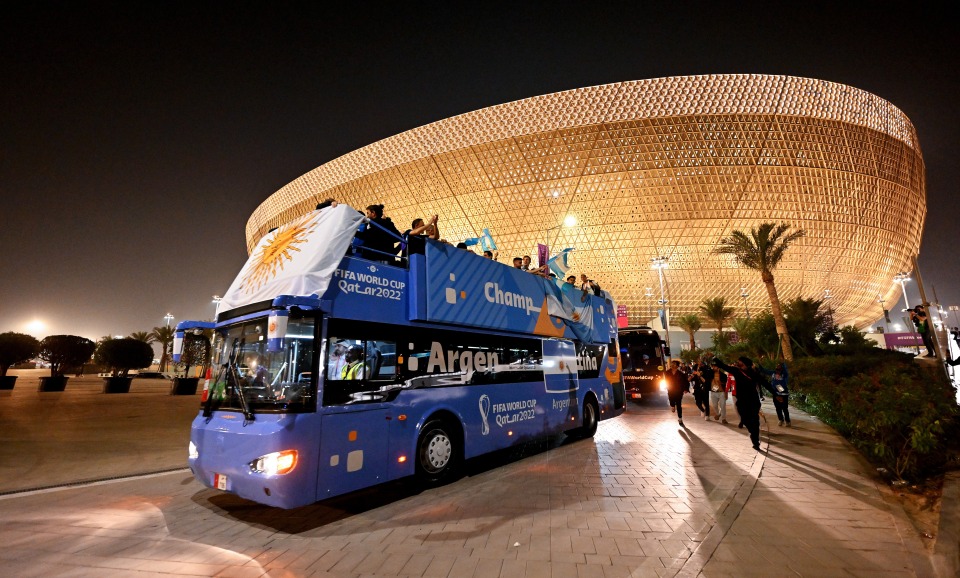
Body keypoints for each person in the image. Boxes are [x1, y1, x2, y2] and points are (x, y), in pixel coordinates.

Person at [713, 356, 763, 451]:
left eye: (739, 362)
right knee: (742, 414)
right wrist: (727, 392)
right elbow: (725, 372)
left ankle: (755, 441)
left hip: (752, 400)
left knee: (754, 421)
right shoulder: (735, 372)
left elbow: (762, 383)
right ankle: (745, 423)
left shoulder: (753, 373)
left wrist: (774, 393)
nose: (737, 363)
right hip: (739, 397)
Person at [760, 362, 791, 426]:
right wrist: (759, 364)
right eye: (777, 368)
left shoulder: (784, 374)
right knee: (778, 408)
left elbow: (785, 370)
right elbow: (764, 371)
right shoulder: (773, 373)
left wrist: (783, 363)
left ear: (782, 369)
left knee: (784, 408)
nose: (777, 370)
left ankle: (787, 421)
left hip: (783, 394)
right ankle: (781, 420)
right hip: (776, 393)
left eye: (779, 368)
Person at [702, 357, 728, 423]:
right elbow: (706, 377)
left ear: (718, 367)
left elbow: (725, 383)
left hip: (721, 391)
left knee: (723, 406)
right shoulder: (710, 373)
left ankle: (723, 418)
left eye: (715, 366)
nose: (713, 367)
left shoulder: (723, 375)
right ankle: (718, 413)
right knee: (715, 405)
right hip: (713, 392)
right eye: (712, 366)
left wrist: (721, 383)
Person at [664, 359, 688, 426]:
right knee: (671, 399)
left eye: (674, 364)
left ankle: (680, 418)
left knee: (679, 404)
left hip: (679, 391)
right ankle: (672, 406)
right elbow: (666, 380)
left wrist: (685, 389)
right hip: (670, 390)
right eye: (672, 363)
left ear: (677, 366)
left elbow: (685, 382)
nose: (672, 365)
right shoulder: (667, 372)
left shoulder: (681, 374)